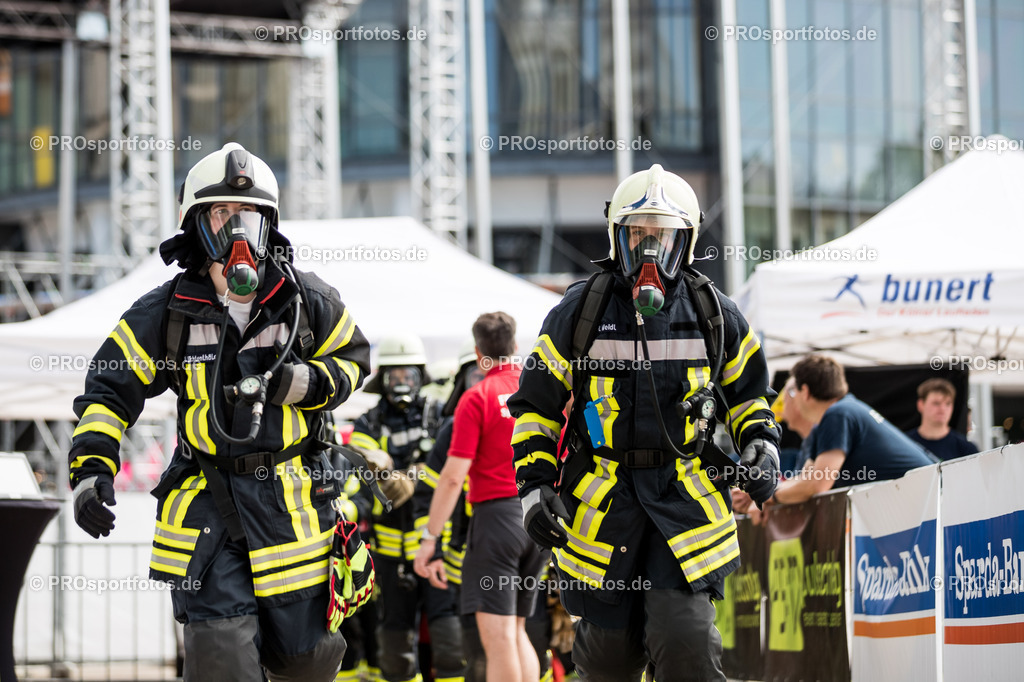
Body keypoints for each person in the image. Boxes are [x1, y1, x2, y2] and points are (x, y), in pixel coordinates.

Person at [68, 143, 371, 681]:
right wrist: (91, 471)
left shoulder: (306, 301)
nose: (237, 228)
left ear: (268, 223)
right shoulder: (166, 312)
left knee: (307, 662)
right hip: (207, 509)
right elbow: (108, 391)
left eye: (248, 213)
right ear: (197, 224)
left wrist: (302, 383)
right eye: (222, 213)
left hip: (293, 511)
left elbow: (355, 361)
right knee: (221, 658)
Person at [507, 164, 781, 682]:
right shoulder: (580, 312)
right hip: (604, 508)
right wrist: (534, 490)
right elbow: (535, 408)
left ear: (686, 242)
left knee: (685, 642)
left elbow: (751, 397)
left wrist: (761, 447)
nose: (650, 250)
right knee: (609, 659)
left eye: (663, 236)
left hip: (685, 506)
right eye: (638, 235)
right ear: (618, 238)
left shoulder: (713, 313)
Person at [414, 312, 545, 682]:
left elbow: (453, 478)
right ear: (515, 345)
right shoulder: (538, 390)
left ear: (478, 352)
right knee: (517, 629)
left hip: (496, 522)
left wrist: (430, 539)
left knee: (500, 639)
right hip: (538, 517)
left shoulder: (477, 398)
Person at [349, 334, 464, 682]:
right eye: (394, 376)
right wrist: (401, 476)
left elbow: (450, 470)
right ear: (382, 380)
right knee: (394, 635)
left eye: (408, 375)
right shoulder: (367, 423)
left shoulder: (438, 415)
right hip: (389, 551)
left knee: (447, 631)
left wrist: (407, 475)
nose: (401, 383)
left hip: (435, 546)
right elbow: (365, 472)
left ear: (419, 377)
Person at [736, 354, 935, 511]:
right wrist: (763, 492)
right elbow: (805, 478)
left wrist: (770, 497)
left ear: (805, 392)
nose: (792, 399)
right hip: (923, 500)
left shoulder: (838, 414)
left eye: (794, 392)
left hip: (928, 501)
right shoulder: (839, 413)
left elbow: (817, 484)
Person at [905, 378, 978, 461]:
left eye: (948, 404)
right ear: (921, 405)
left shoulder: (967, 450)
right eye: (936, 403)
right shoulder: (906, 444)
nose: (942, 409)